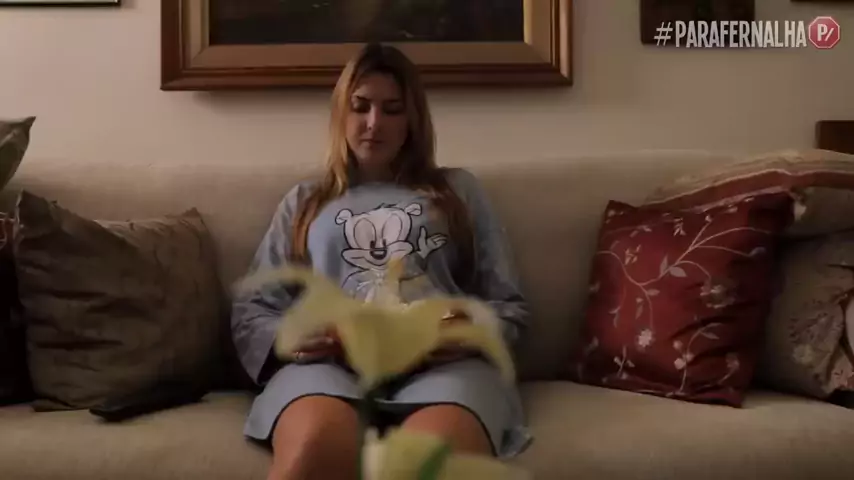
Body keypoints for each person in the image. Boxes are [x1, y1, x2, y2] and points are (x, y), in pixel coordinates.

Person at [230, 43, 533, 480]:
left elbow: (508, 306)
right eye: (361, 107)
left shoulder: (459, 192)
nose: (375, 123)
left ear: (413, 119)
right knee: (315, 447)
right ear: (341, 113)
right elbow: (253, 308)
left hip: (445, 371)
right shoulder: (305, 201)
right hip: (326, 371)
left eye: (393, 109)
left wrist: (465, 335)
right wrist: (295, 338)